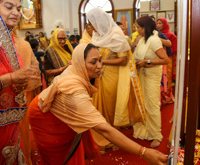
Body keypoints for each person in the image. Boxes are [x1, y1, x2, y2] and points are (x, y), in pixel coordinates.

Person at [28, 43, 168, 165]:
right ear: (80, 62)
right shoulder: (73, 91)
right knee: (58, 157)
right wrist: (144, 152)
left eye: (100, 60)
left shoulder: (76, 70)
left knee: (72, 147)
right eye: (93, 62)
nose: (99, 66)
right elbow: (104, 130)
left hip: (53, 110)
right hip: (44, 118)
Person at [87, 8, 145, 150]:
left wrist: (102, 62)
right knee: (98, 109)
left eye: (92, 23)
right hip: (99, 76)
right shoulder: (98, 36)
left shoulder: (116, 36)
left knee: (110, 109)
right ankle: (101, 137)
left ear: (99, 22)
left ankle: (112, 138)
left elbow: (123, 60)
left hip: (112, 78)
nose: (91, 27)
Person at [0, 0, 41, 164]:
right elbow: (12, 76)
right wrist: (13, 78)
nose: (16, 13)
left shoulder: (14, 44)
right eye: (9, 7)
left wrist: (21, 82)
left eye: (18, 8)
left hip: (13, 121)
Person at [133, 16, 169, 148]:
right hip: (142, 74)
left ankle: (156, 135)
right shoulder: (142, 40)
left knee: (152, 104)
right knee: (143, 103)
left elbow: (165, 60)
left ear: (145, 28)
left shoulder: (154, 40)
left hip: (152, 75)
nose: (137, 30)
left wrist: (147, 62)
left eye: (139, 27)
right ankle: (147, 130)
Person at [157, 18, 177, 104]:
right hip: (158, 58)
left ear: (165, 24)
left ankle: (167, 96)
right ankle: (161, 97)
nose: (158, 25)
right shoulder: (157, 34)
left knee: (166, 78)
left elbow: (174, 50)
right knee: (159, 77)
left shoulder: (171, 35)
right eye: (157, 23)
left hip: (168, 58)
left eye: (160, 23)